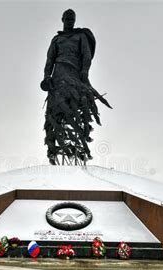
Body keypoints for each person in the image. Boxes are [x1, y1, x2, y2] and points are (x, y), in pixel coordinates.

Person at [41, 9, 111, 165]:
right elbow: (49, 60)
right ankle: (53, 151)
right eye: (67, 19)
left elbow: (87, 56)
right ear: (62, 19)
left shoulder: (80, 36)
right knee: (55, 114)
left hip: (75, 76)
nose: (69, 21)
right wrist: (46, 77)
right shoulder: (56, 40)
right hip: (58, 76)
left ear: (74, 20)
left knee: (80, 108)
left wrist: (85, 71)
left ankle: (81, 145)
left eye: (72, 19)